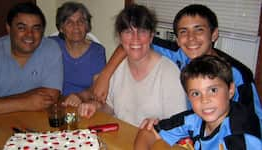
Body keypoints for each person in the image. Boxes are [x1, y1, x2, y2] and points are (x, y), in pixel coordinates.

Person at [92, 4, 262, 133]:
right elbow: (132, 45)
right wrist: (105, 76)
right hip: (184, 132)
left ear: (214, 34)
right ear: (178, 39)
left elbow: (256, 124)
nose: (191, 39)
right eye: (183, 32)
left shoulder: (238, 74)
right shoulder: (176, 53)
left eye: (199, 30)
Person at [78, 4, 187, 127]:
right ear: (120, 37)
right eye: (128, 31)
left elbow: (179, 127)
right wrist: (95, 106)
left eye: (142, 31)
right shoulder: (116, 67)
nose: (136, 39)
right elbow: (110, 107)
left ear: (151, 37)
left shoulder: (169, 72)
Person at [134, 55, 261, 150]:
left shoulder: (239, 134)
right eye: (196, 93)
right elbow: (148, 132)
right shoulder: (194, 119)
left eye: (213, 90)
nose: (204, 100)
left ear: (231, 90)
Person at [0, 2, 63, 116]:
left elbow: (51, 96)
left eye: (36, 28)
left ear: (42, 31)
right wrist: (26, 103)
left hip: (30, 120)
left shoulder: (50, 48)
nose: (29, 34)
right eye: (21, 28)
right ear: (8, 28)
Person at [50, 2, 106, 107]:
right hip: (55, 104)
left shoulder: (97, 51)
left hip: (84, 105)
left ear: (87, 26)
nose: (76, 26)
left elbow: (97, 87)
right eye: (69, 22)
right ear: (61, 28)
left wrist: (79, 96)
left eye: (80, 21)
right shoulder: (52, 45)